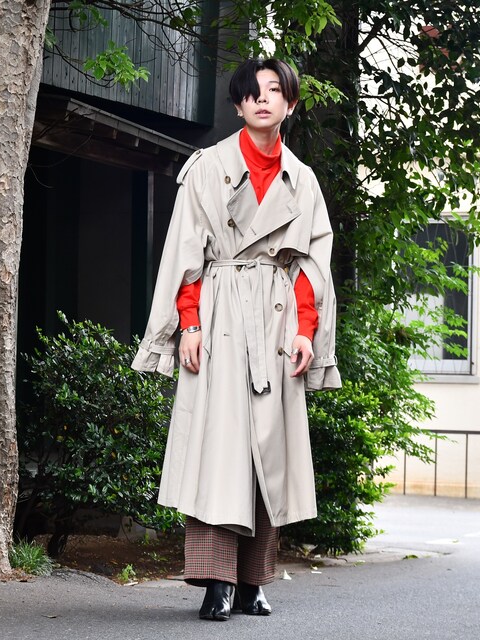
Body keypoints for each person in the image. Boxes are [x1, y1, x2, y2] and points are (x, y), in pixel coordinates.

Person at [132, 58, 341, 621]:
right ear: (239, 104)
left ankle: (253, 581)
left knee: (268, 454)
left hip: (276, 321)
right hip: (220, 312)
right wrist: (189, 324)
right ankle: (216, 582)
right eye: (253, 92)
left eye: (275, 91)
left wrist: (305, 331)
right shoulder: (208, 167)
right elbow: (186, 252)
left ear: (290, 105)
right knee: (219, 452)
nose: (263, 100)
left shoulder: (303, 181)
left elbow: (311, 265)